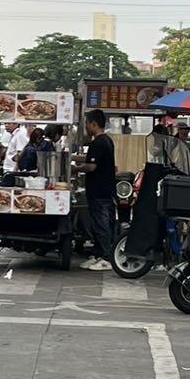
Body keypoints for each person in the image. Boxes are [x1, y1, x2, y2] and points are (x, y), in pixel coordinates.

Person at [81, 107, 117, 269]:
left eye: (87, 124)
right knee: (99, 224)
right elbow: (92, 159)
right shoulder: (107, 140)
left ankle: (106, 258)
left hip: (99, 191)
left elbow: (91, 166)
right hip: (105, 190)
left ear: (93, 124)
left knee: (101, 225)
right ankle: (97, 255)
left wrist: (75, 168)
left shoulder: (98, 142)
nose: (86, 127)